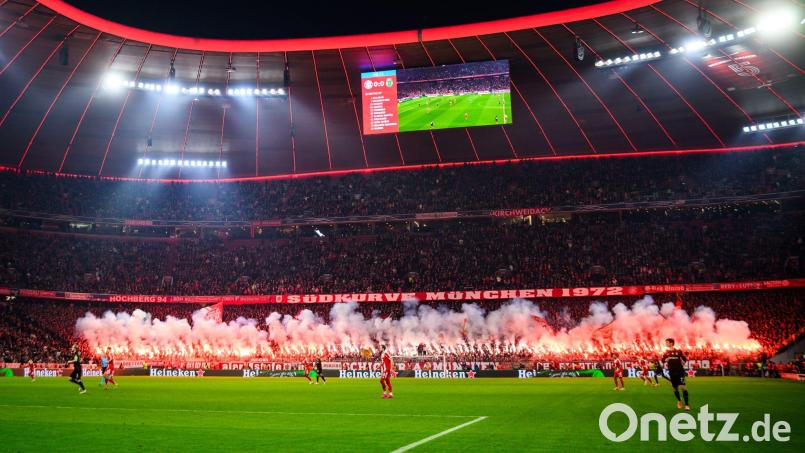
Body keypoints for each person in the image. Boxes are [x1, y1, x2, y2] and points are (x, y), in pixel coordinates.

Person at [662, 338, 690, 410]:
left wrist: (682, 365)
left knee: (682, 387)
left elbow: (684, 359)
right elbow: (662, 360)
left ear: (671, 343)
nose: (666, 344)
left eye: (667, 342)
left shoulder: (678, 351)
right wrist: (666, 360)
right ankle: (679, 401)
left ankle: (687, 405)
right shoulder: (666, 352)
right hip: (671, 372)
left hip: (680, 372)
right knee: (674, 388)